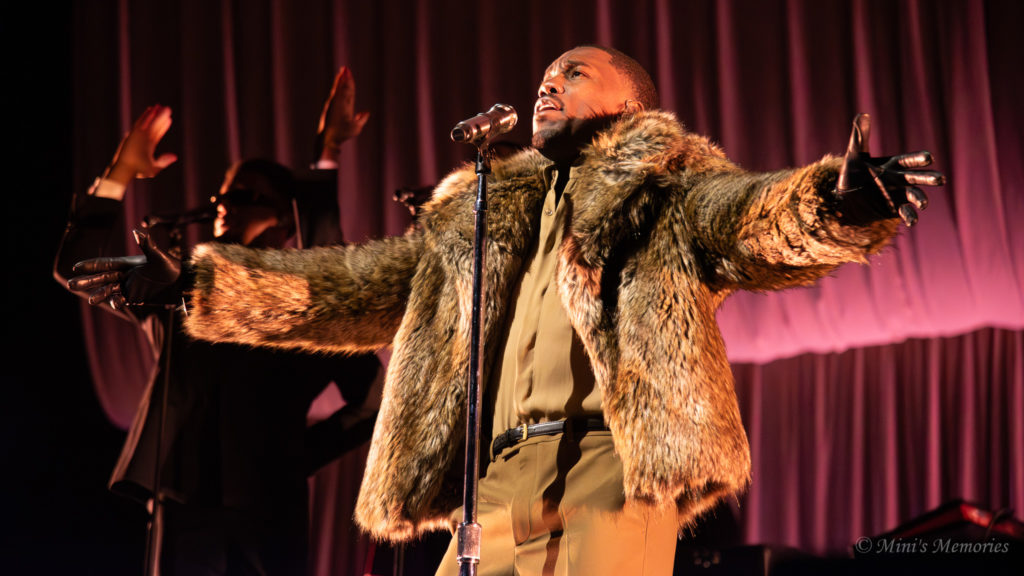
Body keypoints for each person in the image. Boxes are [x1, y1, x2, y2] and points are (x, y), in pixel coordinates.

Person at [110, 46, 943, 575]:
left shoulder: (667, 189)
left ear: (631, 110)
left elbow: (747, 217)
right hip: (496, 482)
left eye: (573, 74)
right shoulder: (484, 213)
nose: (549, 83)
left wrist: (834, 203)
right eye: (544, 76)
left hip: (610, 472)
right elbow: (355, 284)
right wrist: (201, 289)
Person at [58, 68, 382, 576]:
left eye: (247, 197)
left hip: (270, 512)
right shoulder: (179, 283)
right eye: (222, 198)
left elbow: (370, 398)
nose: (226, 207)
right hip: (184, 505)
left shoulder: (302, 302)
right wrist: (118, 174)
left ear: (285, 220)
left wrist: (299, 457)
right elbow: (77, 268)